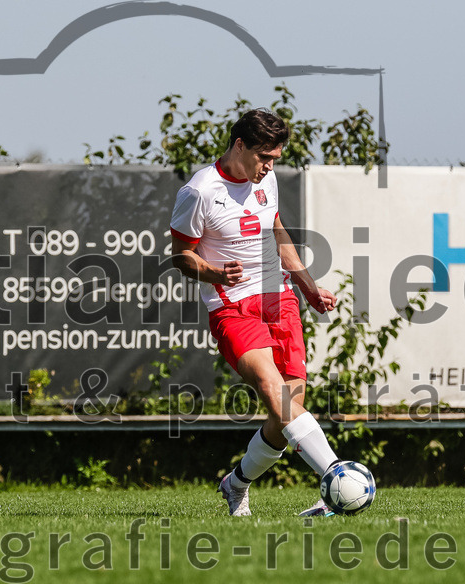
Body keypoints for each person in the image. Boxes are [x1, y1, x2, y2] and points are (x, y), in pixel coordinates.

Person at [170, 109, 344, 517]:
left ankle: (236, 485)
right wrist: (214, 272)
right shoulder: (199, 191)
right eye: (263, 157)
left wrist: (308, 286)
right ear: (240, 145)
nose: (268, 167)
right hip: (231, 306)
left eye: (275, 159)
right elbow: (180, 257)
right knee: (272, 388)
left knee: (287, 410)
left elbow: (276, 230)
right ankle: (336, 476)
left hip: (277, 298)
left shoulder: (267, 180)